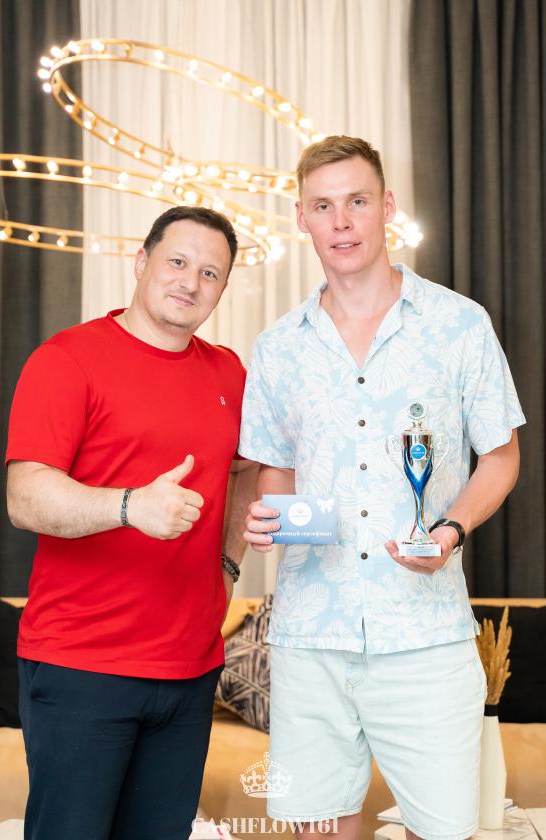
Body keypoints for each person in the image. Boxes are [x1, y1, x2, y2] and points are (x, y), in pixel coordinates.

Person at [240, 136, 524, 840]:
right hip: (310, 636)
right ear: (301, 218)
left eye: (357, 201)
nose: (341, 222)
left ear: (387, 207)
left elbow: (500, 457)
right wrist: (274, 517)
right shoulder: (278, 347)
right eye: (322, 206)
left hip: (425, 634)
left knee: (446, 832)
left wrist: (450, 530)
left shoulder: (460, 325)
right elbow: (275, 470)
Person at [6, 205, 256, 840]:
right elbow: (25, 497)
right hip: (82, 665)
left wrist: (228, 565)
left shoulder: (229, 372)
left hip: (189, 669)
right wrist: (127, 506)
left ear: (222, 289)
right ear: (141, 262)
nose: (190, 282)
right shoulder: (67, 359)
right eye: (177, 262)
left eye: (209, 273)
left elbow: (246, 471)